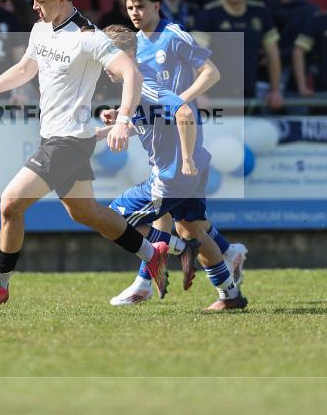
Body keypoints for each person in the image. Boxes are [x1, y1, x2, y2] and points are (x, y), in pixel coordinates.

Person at [0, 0, 176, 308]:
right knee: (85, 212)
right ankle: (153, 253)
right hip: (55, 138)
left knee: (10, 203)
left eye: (40, 0)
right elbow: (24, 69)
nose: (34, 6)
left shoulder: (89, 38)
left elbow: (131, 73)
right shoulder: (40, 29)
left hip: (69, 141)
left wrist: (123, 120)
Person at [101, 22, 248, 312]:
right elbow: (154, 120)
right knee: (193, 229)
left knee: (112, 218)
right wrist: (117, 120)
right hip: (189, 171)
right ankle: (231, 296)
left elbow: (182, 112)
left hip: (171, 177)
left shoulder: (143, 83)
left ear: (126, 53)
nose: (105, 66)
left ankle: (178, 250)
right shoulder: (137, 87)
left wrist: (187, 158)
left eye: (107, 57)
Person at [195, 0, 283, 108]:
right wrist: (198, 93)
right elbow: (195, 55)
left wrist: (276, 90)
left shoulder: (260, 11)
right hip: (214, 97)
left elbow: (273, 54)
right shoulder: (209, 13)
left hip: (248, 94)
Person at [268, 0, 318, 91]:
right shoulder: (264, 8)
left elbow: (301, 50)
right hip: (265, 78)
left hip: (296, 82)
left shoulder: (308, 11)